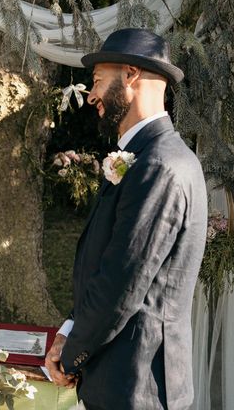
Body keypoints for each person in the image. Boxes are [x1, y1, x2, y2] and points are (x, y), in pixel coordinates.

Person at [45, 28, 208, 410]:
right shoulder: (144, 155)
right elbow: (103, 264)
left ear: (131, 75)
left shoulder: (159, 165)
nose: (91, 95)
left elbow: (122, 281)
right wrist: (69, 330)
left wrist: (71, 356)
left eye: (99, 81)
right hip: (122, 378)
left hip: (138, 384)